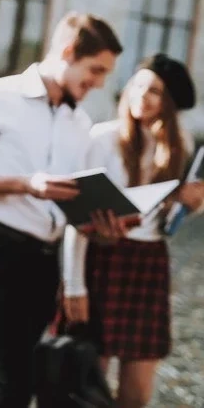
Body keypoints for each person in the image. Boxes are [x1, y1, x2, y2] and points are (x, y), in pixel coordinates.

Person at [0, 11, 131, 408]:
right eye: (94, 70)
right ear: (67, 52)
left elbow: (73, 200)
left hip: (46, 262)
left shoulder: (81, 122)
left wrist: (102, 225)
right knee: (17, 380)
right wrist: (26, 183)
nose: (97, 83)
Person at [61, 54, 204, 408]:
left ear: (169, 102)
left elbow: (175, 217)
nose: (143, 95)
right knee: (88, 381)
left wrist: (193, 201)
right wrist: (74, 287)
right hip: (102, 258)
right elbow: (77, 219)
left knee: (137, 392)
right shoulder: (101, 138)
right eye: (138, 84)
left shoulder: (181, 144)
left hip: (149, 261)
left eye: (155, 90)